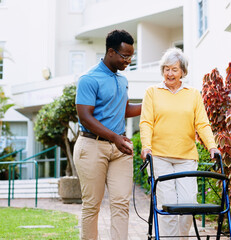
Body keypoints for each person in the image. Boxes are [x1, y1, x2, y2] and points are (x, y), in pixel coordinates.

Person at [140, 47, 220, 239]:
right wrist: (146, 145)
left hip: (186, 157)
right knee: (166, 204)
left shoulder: (192, 94)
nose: (170, 73)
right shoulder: (152, 92)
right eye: (166, 69)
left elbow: (202, 123)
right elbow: (146, 122)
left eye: (174, 69)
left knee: (187, 203)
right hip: (159, 156)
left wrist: (212, 146)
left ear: (183, 71)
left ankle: (181, 238)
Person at [74, 29, 141, 240]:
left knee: (121, 203)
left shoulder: (122, 80)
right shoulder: (89, 79)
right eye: (125, 56)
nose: (129, 61)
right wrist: (114, 137)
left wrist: (152, 103)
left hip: (119, 149)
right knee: (92, 205)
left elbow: (125, 109)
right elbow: (85, 117)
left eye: (131, 56)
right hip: (92, 146)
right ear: (111, 52)